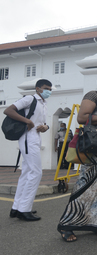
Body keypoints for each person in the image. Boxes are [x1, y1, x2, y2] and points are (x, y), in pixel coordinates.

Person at [57, 71, 97, 242]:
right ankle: (67, 225)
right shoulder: (93, 95)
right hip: (96, 150)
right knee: (85, 186)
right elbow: (82, 117)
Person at [4, 79, 52, 221]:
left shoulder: (43, 103)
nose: (48, 91)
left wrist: (46, 127)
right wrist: (27, 121)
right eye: (45, 88)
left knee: (26, 173)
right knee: (36, 172)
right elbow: (8, 110)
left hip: (36, 137)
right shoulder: (30, 99)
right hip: (27, 137)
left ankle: (17, 207)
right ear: (37, 88)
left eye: (50, 89)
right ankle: (24, 209)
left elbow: (41, 123)